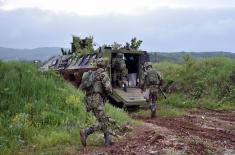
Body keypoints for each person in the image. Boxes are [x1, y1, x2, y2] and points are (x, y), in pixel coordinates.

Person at [79, 58, 114, 146]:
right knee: (104, 121)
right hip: (97, 99)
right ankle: (86, 131)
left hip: (88, 100)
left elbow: (82, 87)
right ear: (104, 66)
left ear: (97, 65)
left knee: (102, 119)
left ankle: (108, 139)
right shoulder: (103, 74)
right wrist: (109, 92)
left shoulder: (92, 74)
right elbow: (108, 89)